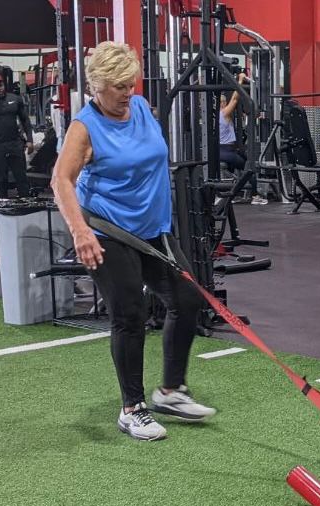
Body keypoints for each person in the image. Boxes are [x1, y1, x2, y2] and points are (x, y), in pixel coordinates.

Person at [51, 41, 216, 441]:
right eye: (120, 86)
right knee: (130, 315)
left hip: (154, 229)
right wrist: (81, 231)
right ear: (97, 88)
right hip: (111, 233)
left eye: (131, 83)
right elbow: (61, 181)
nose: (128, 92)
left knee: (187, 299)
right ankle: (132, 408)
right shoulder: (85, 127)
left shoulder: (139, 108)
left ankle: (171, 391)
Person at [219, 74, 265, 204]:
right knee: (249, 167)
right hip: (226, 152)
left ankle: (234, 194)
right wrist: (240, 80)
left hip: (228, 150)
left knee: (245, 159)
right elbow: (234, 99)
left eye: (224, 101)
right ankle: (255, 196)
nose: (224, 103)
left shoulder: (216, 115)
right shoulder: (223, 114)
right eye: (222, 102)